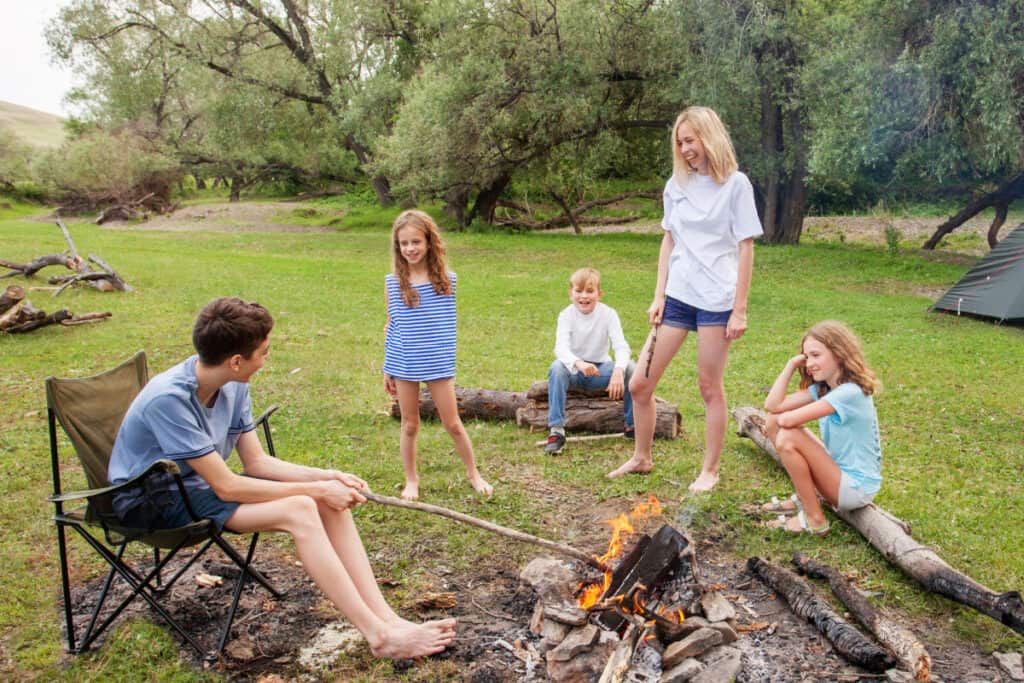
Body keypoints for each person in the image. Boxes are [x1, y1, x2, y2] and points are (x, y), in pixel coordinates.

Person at [108, 298, 456, 660]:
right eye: (263, 352)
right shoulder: (169, 400)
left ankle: (388, 619)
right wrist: (316, 489)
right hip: (151, 499)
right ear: (236, 361)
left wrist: (329, 477)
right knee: (302, 508)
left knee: (320, 499)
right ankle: (377, 636)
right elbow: (226, 486)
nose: (266, 359)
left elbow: (256, 462)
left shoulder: (232, 382)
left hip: (196, 484)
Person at [608, 106, 763, 492]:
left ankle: (710, 470)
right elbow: (669, 238)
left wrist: (739, 309)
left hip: (716, 300)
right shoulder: (676, 185)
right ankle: (642, 457)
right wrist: (658, 294)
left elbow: (746, 248)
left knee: (709, 387)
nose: (685, 149)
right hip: (678, 296)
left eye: (690, 140)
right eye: (680, 142)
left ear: (709, 137)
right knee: (640, 384)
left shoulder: (736, 185)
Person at [383, 209, 493, 501]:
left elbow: (444, 325)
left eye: (416, 242)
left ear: (429, 242)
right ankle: (411, 480)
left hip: (438, 364)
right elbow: (391, 325)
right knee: (410, 424)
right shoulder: (393, 283)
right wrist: (388, 368)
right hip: (404, 363)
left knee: (453, 424)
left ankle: (473, 473)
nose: (410, 249)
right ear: (398, 246)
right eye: (404, 243)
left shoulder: (447, 281)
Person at [760, 321, 882, 535]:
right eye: (806, 357)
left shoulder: (849, 393)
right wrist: (790, 366)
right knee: (773, 421)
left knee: (787, 436)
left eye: (816, 355)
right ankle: (804, 497)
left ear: (838, 353)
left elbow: (787, 422)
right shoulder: (825, 388)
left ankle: (815, 519)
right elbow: (773, 407)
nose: (809, 364)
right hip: (838, 475)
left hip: (856, 488)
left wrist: (794, 430)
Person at [544, 267, 636, 454]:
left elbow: (621, 346)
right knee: (556, 368)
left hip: (600, 371)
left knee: (631, 368)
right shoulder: (566, 315)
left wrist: (618, 370)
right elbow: (560, 347)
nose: (584, 296)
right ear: (571, 294)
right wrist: (579, 363)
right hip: (575, 371)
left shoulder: (609, 314)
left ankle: (631, 425)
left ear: (599, 294)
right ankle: (557, 430)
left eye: (590, 291)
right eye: (578, 291)